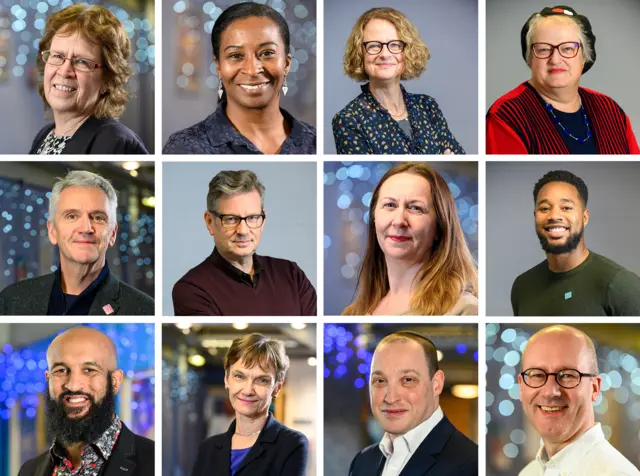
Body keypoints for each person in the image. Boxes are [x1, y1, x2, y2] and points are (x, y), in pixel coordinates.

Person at [163, 2, 316, 154]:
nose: (252, 70)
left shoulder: (314, 143)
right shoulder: (185, 148)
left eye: (267, 53)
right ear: (219, 67)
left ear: (286, 64)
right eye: (236, 55)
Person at [487, 5, 640, 154]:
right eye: (543, 49)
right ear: (529, 58)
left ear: (585, 56)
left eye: (567, 48)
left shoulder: (611, 111)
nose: (555, 59)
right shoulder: (507, 116)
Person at [0, 171, 154, 315]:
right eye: (72, 216)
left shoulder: (143, 309)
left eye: (98, 217)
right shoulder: (12, 301)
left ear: (112, 234)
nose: (86, 228)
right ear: (52, 231)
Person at [172, 170, 316, 315]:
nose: (243, 230)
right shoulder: (192, 289)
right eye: (230, 219)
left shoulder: (291, 274)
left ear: (263, 219)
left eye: (252, 217)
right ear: (210, 222)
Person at [343, 162, 477, 316]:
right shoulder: (353, 314)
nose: (399, 221)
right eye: (390, 205)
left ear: (439, 227)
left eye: (415, 208)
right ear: (374, 217)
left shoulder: (463, 309)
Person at [18, 326, 154, 476]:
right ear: (48, 379)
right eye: (61, 371)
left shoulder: (153, 462)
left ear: (115, 381)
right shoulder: (29, 471)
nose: (73, 385)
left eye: (89, 370)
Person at [332, 7, 463, 155]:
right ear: (360, 53)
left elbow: (458, 155)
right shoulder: (349, 120)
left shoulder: (427, 107)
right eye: (374, 45)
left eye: (394, 45)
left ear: (407, 51)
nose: (385, 54)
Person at [511, 170, 640, 316]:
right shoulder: (522, 286)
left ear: (584, 218)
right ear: (535, 216)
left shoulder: (619, 285)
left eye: (566, 208)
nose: (554, 216)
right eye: (545, 209)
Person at [349, 331, 478, 476]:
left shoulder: (472, 465)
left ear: (436, 384)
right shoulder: (362, 461)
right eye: (380, 381)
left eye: (408, 380)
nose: (390, 398)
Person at [518, 325, 639, 475]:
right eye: (537, 375)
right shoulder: (528, 473)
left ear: (594, 388)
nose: (550, 392)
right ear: (521, 387)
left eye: (568, 375)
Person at [30, 5, 148, 154]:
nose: (64, 71)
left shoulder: (115, 142)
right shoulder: (44, 135)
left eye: (82, 61)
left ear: (107, 79)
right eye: (58, 56)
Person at [191, 333, 308, 476]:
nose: (247, 391)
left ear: (277, 387)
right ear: (227, 379)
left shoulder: (291, 444)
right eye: (239, 376)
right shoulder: (208, 448)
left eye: (262, 380)